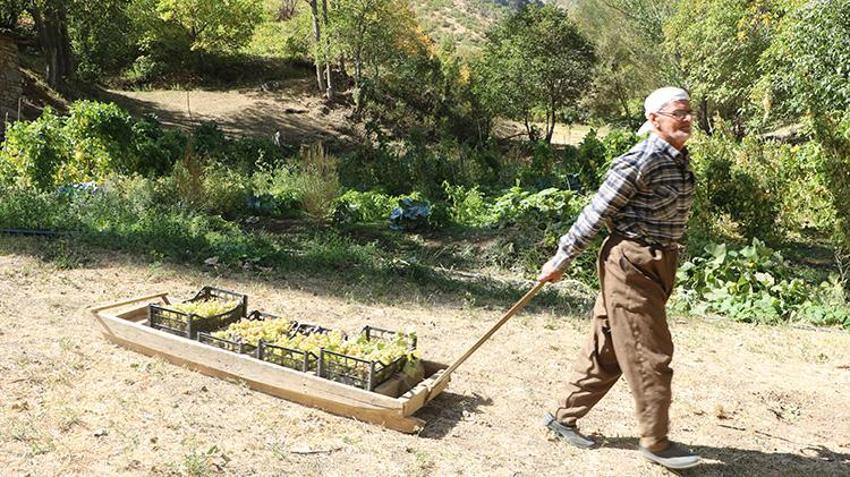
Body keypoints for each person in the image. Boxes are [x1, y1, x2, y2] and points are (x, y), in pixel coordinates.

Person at [538, 86, 700, 470]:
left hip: (660, 263)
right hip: (631, 264)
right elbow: (594, 213)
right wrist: (561, 259)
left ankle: (562, 416)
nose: (687, 119)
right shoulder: (640, 160)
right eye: (678, 113)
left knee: (608, 346)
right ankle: (656, 442)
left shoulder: (678, 159)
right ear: (654, 119)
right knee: (649, 353)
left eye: (688, 112)